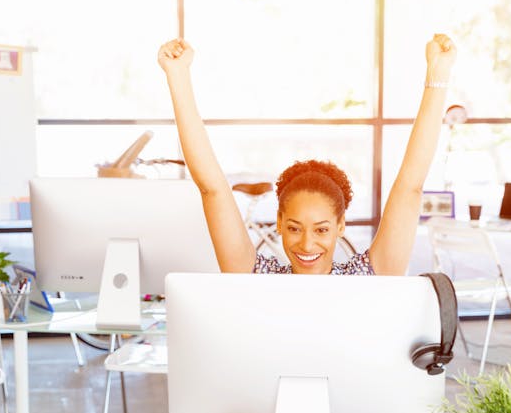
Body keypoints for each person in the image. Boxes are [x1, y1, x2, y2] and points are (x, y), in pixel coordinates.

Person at [158, 34, 456, 276]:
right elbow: (212, 189)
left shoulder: (366, 277)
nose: (306, 243)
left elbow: (411, 186)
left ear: (340, 226)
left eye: (322, 229)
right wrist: (177, 76)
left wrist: (437, 78)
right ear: (279, 222)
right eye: (294, 228)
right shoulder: (258, 277)